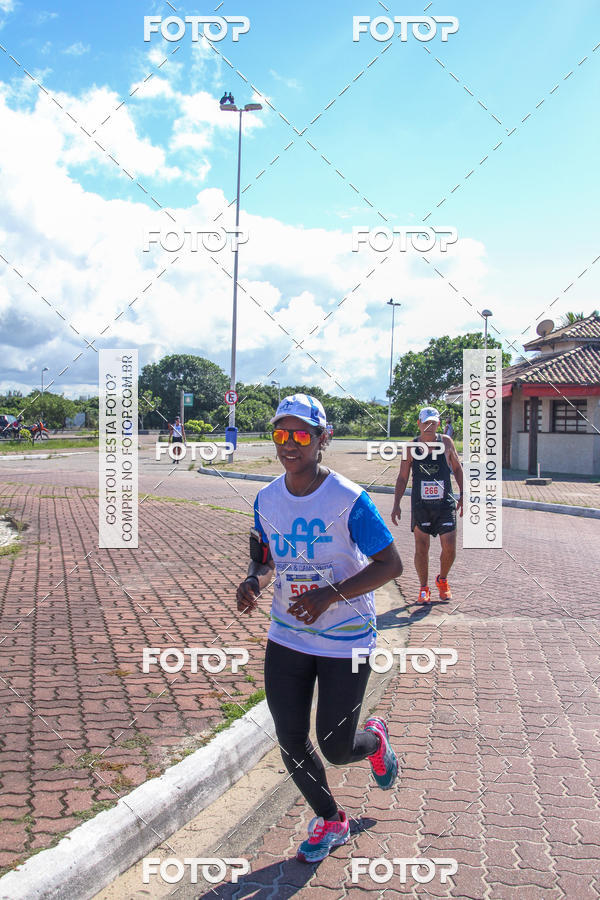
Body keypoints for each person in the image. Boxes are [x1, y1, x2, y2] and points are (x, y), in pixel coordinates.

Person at [236, 393, 403, 863]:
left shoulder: (351, 500)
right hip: (287, 635)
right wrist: (252, 580)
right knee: (289, 736)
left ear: (321, 439)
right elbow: (264, 558)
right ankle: (331, 818)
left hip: (346, 639)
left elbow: (391, 565)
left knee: (335, 745)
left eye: (301, 434)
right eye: (280, 434)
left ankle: (373, 741)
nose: (289, 444)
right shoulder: (267, 498)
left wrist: (330, 595)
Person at [391, 406, 463, 604]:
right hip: (421, 505)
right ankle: (423, 587)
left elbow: (457, 468)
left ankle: (442, 579)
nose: (429, 426)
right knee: (421, 547)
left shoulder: (446, 443)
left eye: (433, 422)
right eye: (425, 422)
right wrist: (396, 503)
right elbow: (402, 477)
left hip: (444, 505)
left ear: (438, 424)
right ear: (419, 424)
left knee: (449, 547)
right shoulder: (411, 448)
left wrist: (463, 494)